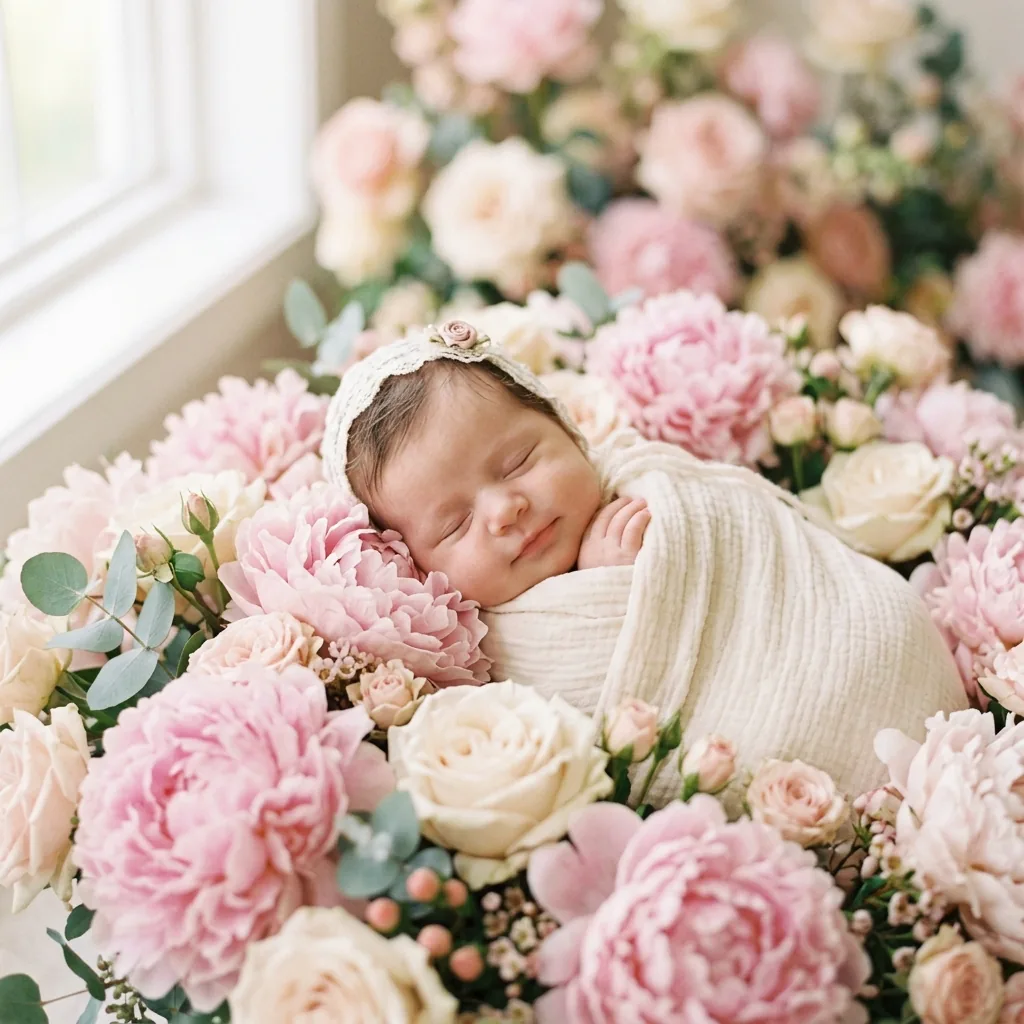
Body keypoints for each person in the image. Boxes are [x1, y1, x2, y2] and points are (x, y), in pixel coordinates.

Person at [321, 318, 967, 805]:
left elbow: (752, 543)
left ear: (567, 428)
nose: (505, 509)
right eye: (456, 524)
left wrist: (651, 560)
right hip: (795, 763)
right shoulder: (492, 648)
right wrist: (606, 586)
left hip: (860, 642)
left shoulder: (652, 486)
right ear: (415, 565)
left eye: (519, 461)